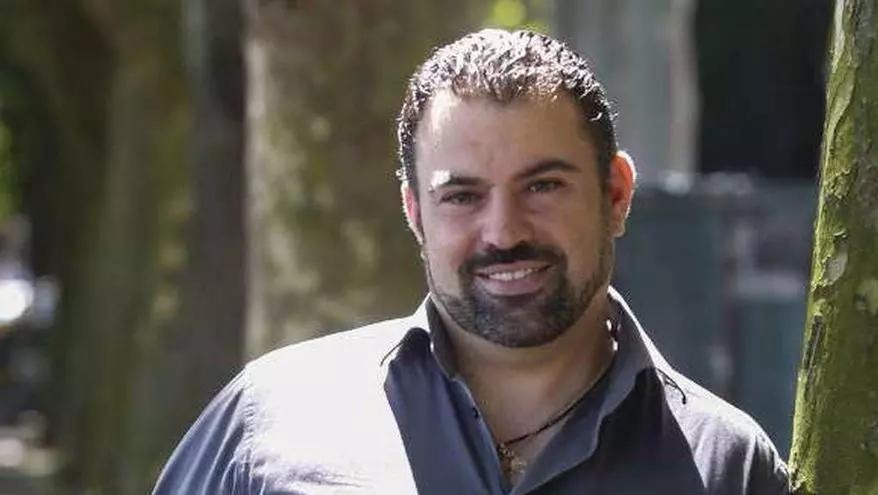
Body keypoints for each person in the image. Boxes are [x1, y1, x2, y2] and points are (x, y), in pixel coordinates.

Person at [152, 29, 789, 494]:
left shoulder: (726, 467)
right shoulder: (274, 420)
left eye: (543, 186)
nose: (503, 232)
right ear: (415, 213)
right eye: (462, 196)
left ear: (616, 195)